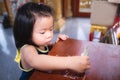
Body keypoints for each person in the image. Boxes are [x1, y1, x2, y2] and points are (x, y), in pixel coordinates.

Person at [13, 2, 90, 80]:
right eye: (42, 32)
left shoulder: (40, 43)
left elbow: (45, 49)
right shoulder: (26, 49)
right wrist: (70, 62)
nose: (49, 35)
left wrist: (56, 44)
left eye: (51, 29)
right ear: (26, 33)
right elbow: (36, 60)